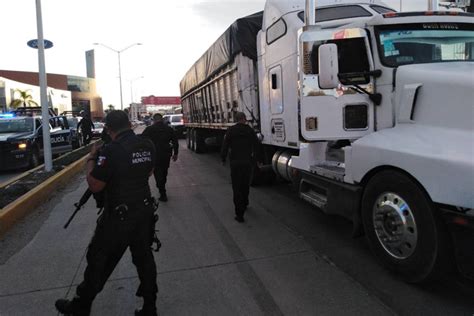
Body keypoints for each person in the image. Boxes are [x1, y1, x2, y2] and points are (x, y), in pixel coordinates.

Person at [55, 110, 159, 316]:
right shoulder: (147, 144)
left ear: (109, 129)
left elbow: (95, 185)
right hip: (144, 212)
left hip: (119, 218)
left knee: (98, 260)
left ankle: (81, 305)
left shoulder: (110, 151)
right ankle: (150, 307)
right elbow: (148, 172)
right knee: (144, 260)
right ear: (129, 124)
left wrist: (91, 159)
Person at [221, 111, 259, 223]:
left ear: (236, 119)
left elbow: (225, 145)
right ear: (244, 119)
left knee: (236, 187)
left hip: (235, 163)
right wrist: (256, 160)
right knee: (245, 184)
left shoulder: (231, 130)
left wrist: (223, 158)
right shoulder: (249, 130)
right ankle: (245, 202)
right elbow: (256, 145)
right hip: (247, 162)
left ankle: (239, 214)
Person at [142, 113, 178, 202]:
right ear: (162, 119)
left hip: (154, 155)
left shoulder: (149, 129)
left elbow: (142, 140)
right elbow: (175, 142)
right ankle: (162, 187)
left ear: (154, 120)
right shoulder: (169, 129)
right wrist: (175, 154)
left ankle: (162, 191)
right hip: (166, 154)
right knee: (164, 172)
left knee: (157, 173)